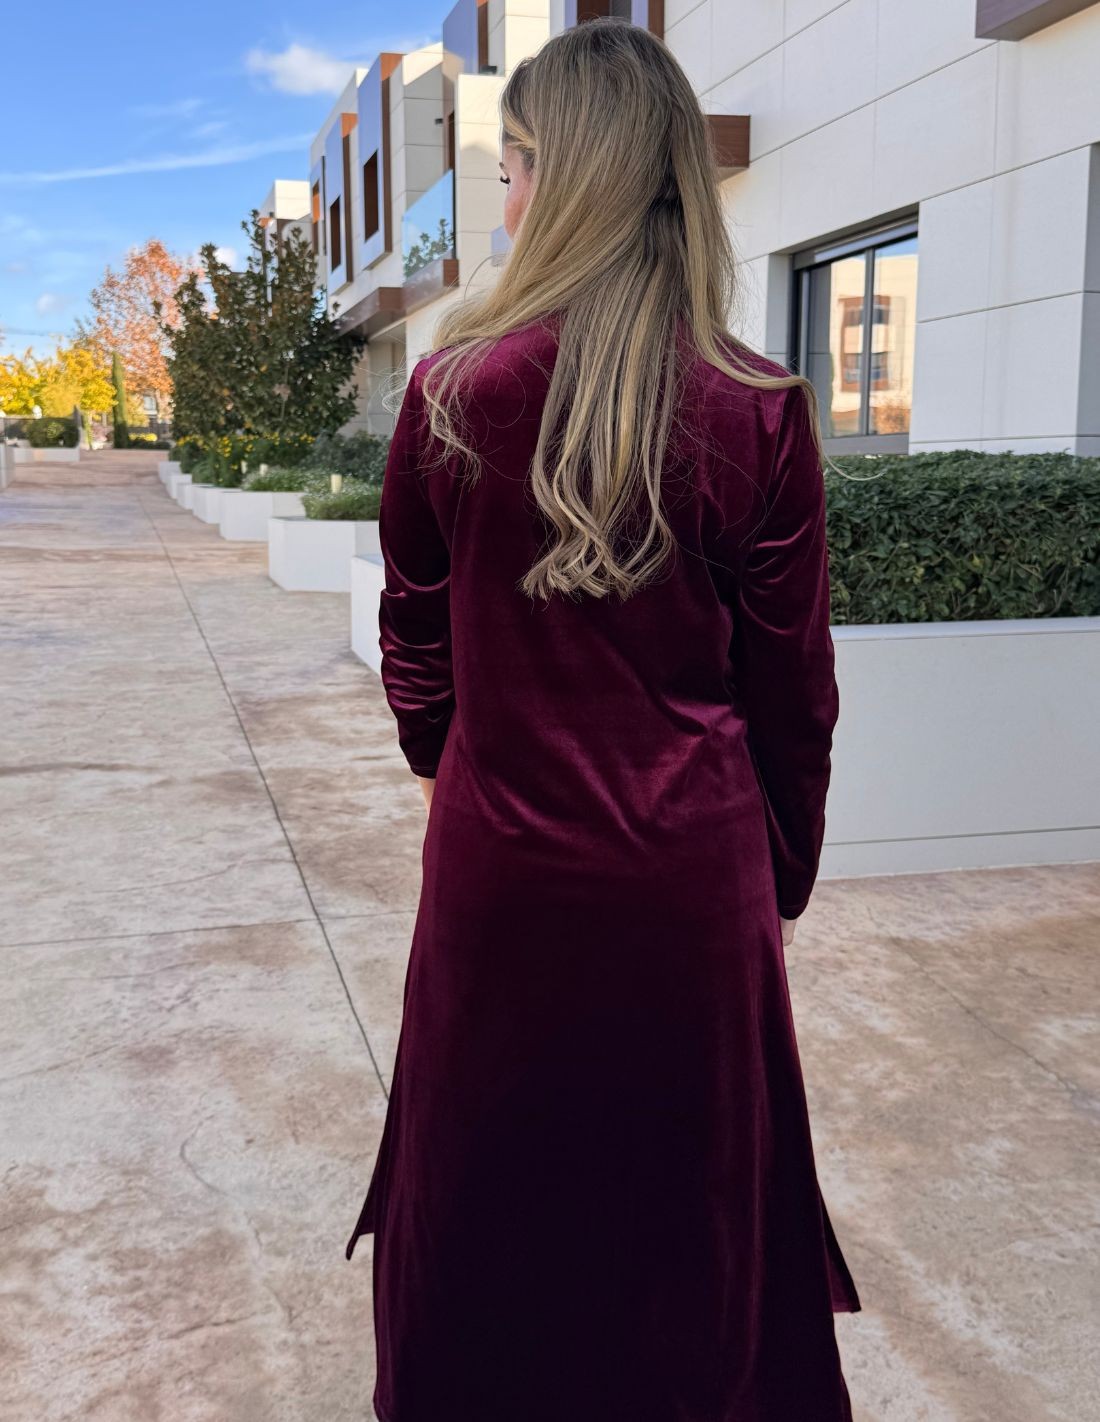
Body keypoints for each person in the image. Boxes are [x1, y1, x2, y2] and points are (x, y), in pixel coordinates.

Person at [345, 17, 861, 1422]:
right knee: (683, 1202)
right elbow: (794, 698)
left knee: (494, 1184)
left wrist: (467, 773)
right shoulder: (757, 407)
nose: (507, 197)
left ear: (562, 176)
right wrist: (773, 878)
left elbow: (415, 647)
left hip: (501, 871)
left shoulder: (453, 392)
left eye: (513, 168)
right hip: (694, 884)